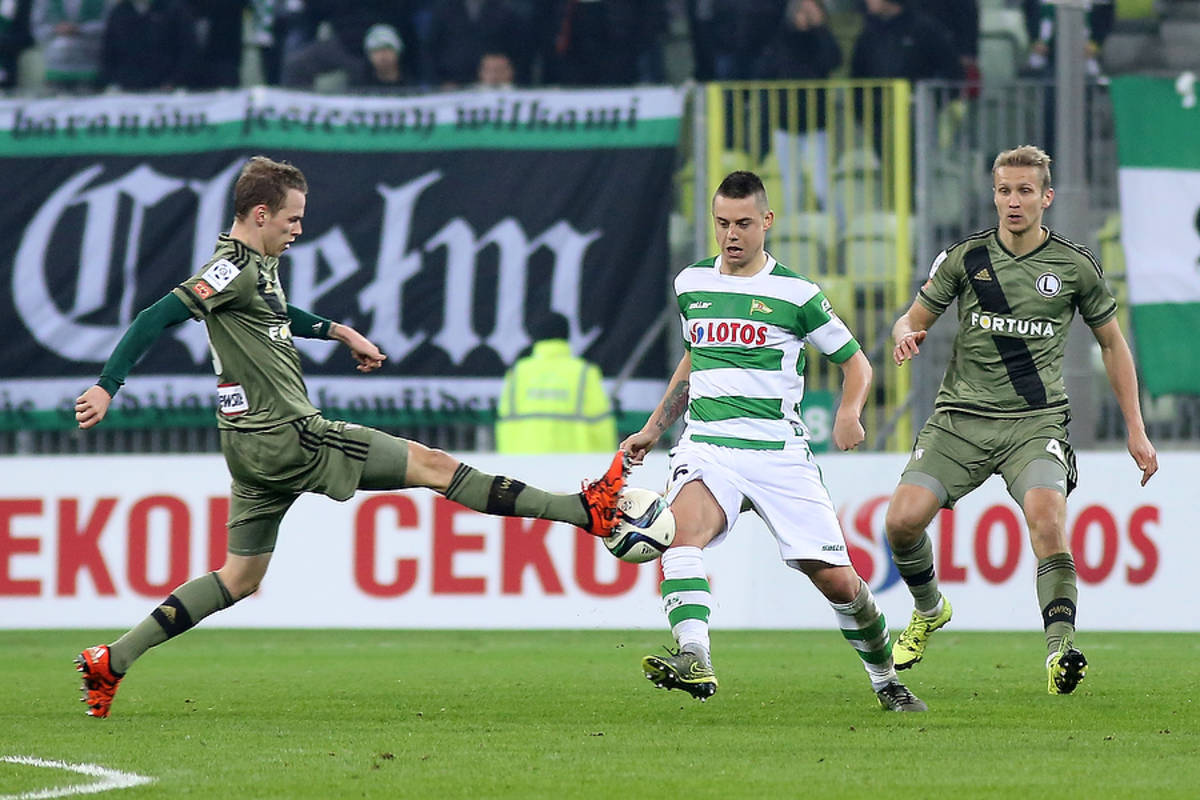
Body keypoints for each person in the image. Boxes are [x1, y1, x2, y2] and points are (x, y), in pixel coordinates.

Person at [73, 156, 628, 718]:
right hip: (288, 435)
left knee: (238, 577)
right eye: (292, 218)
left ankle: (112, 660)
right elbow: (153, 317)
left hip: (249, 447)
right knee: (434, 465)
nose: (298, 228)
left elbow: (276, 314)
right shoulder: (230, 269)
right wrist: (106, 386)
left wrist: (338, 331)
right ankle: (585, 511)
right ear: (260, 214)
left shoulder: (257, 267)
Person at [620, 171, 927, 712]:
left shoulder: (797, 294)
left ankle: (886, 681)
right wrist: (653, 428)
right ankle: (694, 656)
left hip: (779, 454)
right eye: (721, 223)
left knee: (839, 584)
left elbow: (857, 363)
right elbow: (695, 359)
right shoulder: (691, 283)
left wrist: (849, 414)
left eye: (743, 223)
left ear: (767, 221)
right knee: (680, 537)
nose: (731, 235)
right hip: (709, 444)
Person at [884, 145, 1158, 695]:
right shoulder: (965, 258)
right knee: (900, 523)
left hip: (1034, 425)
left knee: (1047, 518)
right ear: (994, 195)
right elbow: (908, 320)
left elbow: (1113, 344)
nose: (1014, 201)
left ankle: (1060, 651)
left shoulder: (1074, 266)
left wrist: (1136, 428)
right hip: (960, 420)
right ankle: (929, 608)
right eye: (1005, 190)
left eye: (1025, 191)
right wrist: (905, 336)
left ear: (1045, 197)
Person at [495, 312, 617, 454]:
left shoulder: (518, 372)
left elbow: (504, 421)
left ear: (535, 337)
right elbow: (601, 424)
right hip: (575, 461)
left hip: (524, 460)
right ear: (566, 336)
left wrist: (508, 460)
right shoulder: (584, 372)